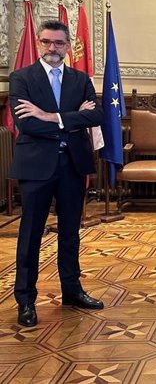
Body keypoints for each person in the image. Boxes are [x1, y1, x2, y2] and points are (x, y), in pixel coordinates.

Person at [9, 20, 104, 327]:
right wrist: (70, 121)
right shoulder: (21, 78)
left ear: (68, 45)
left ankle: (72, 291)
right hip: (37, 166)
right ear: (39, 42)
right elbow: (27, 124)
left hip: (72, 166)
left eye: (59, 43)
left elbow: (97, 114)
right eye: (47, 42)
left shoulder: (80, 79)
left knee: (70, 233)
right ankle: (25, 300)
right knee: (31, 234)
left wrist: (49, 115)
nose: (53, 48)